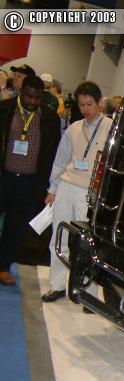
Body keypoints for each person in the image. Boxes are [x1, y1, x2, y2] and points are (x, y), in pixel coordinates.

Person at [41, 81, 112, 303]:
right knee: (58, 236)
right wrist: (53, 189)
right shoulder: (73, 128)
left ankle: (88, 293)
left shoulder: (111, 128)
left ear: (99, 103)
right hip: (67, 186)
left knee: (87, 243)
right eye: (81, 104)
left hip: (90, 192)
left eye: (89, 104)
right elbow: (61, 160)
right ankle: (57, 285)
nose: (85, 109)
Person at [0, 75, 62, 285]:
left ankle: (3, 266)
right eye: (28, 96)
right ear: (21, 92)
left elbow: (53, 154)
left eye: (37, 98)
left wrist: (48, 186)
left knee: (16, 228)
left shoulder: (51, 118)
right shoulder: (4, 110)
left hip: (30, 183)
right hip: (4, 177)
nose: (32, 101)